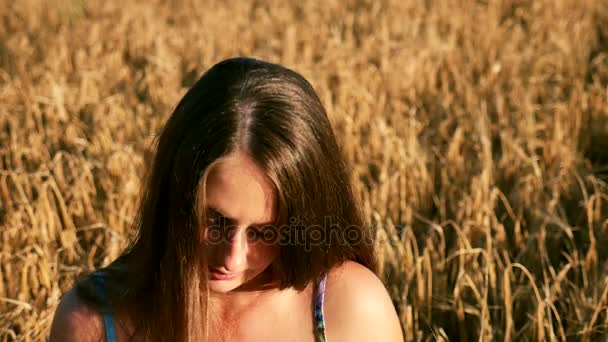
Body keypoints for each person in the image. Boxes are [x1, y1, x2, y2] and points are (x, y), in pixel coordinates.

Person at [49, 57, 404, 341]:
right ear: (175, 197)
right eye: (216, 221)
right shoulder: (92, 321)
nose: (232, 257)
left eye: (264, 233)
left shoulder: (351, 308)